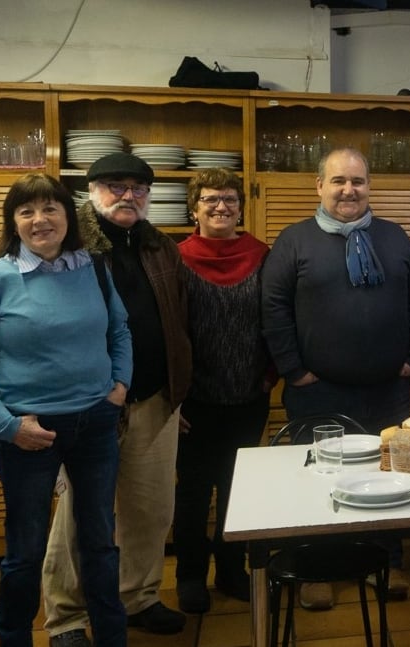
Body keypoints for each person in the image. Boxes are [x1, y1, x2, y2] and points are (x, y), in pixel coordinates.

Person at [0, 173, 132, 647]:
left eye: (50, 208)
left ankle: (112, 638)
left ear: (68, 216)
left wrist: (118, 387)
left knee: (100, 545)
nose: (40, 219)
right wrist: (7, 426)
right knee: (24, 554)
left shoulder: (92, 268)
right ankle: (14, 638)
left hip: (95, 425)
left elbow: (119, 331)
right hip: (27, 432)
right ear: (14, 222)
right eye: (27, 211)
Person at [261, 147, 410, 608]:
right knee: (321, 481)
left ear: (369, 186)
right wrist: (293, 370)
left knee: (391, 479)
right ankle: (316, 567)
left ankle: (386, 562)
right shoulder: (293, 241)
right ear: (319, 187)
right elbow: (273, 309)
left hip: (389, 390)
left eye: (357, 181)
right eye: (338, 181)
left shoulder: (395, 237)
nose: (348, 190)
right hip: (319, 393)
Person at [41, 153, 193, 644]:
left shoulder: (160, 247)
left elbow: (177, 321)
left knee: (150, 511)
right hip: (87, 406)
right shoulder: (68, 245)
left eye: (138, 188)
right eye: (115, 186)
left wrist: (177, 392)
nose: (128, 195)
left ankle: (139, 596)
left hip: (154, 400)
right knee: (79, 514)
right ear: (90, 191)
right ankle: (66, 615)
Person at [174, 168, 274, 613]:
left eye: (230, 199)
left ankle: (233, 571)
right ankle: (191, 576)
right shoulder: (173, 259)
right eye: (211, 199)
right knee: (193, 493)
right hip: (193, 403)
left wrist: (270, 376)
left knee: (240, 492)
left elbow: (277, 320)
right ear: (193, 208)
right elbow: (166, 332)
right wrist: (173, 397)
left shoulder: (263, 255)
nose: (221, 206)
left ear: (240, 206)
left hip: (249, 396)